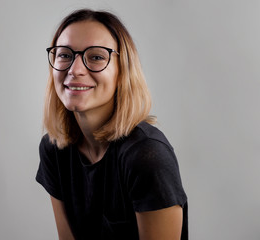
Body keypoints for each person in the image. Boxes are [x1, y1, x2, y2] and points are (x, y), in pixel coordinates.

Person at [36, 9, 188, 240]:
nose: (75, 70)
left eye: (96, 57)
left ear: (122, 71)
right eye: (65, 55)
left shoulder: (148, 156)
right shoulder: (53, 149)